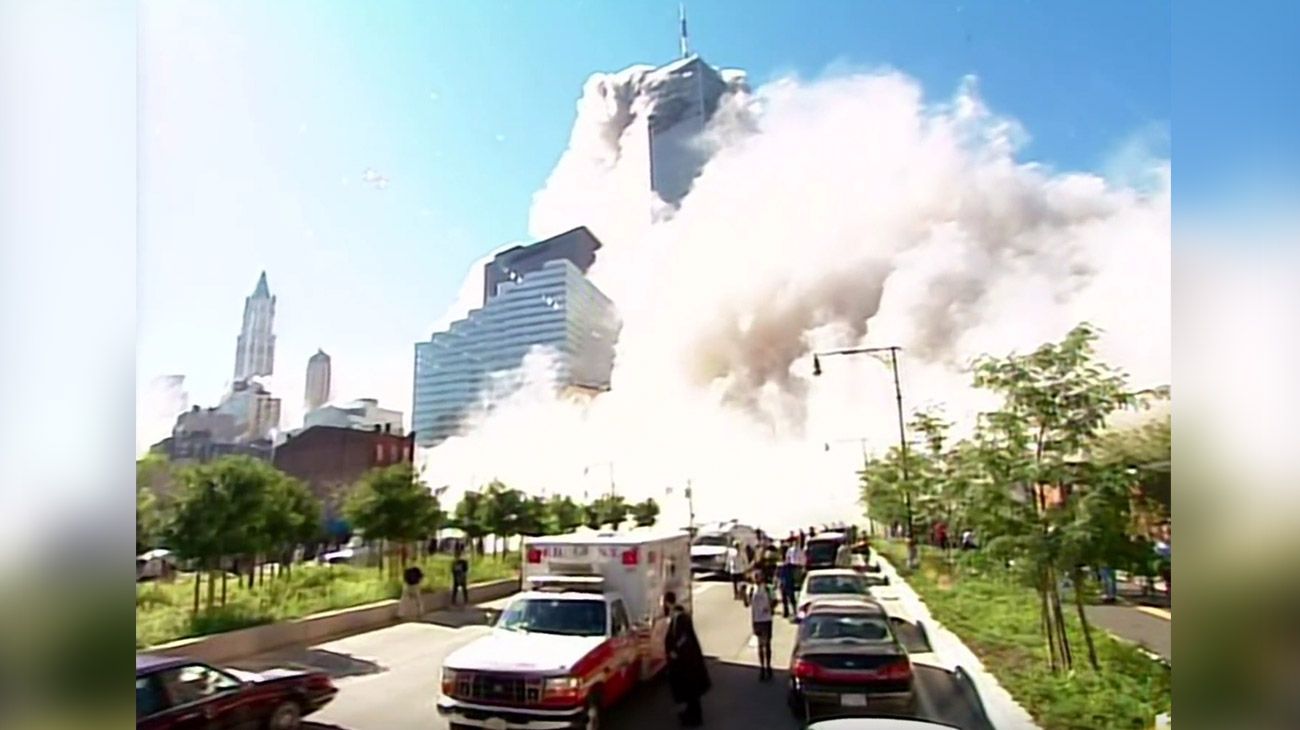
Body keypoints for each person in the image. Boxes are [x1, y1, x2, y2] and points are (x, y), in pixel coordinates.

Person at [664, 591, 710, 726]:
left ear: (668, 603)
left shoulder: (681, 619)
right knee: (690, 692)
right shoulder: (678, 618)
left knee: (692, 692)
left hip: (688, 663)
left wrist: (675, 652)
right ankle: (690, 714)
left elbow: (684, 639)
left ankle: (695, 718)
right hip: (687, 662)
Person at [750, 572, 775, 679]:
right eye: (755, 577)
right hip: (757, 620)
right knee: (760, 645)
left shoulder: (768, 589)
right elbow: (747, 603)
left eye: (758, 577)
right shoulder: (751, 590)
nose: (756, 579)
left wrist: (770, 607)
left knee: (767, 644)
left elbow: (775, 601)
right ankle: (762, 668)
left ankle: (768, 666)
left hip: (766, 619)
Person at [778, 544, 799, 619]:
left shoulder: (786, 561)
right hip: (786, 581)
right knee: (787, 598)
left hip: (787, 581)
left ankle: (792, 612)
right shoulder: (783, 562)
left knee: (789, 598)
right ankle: (789, 611)